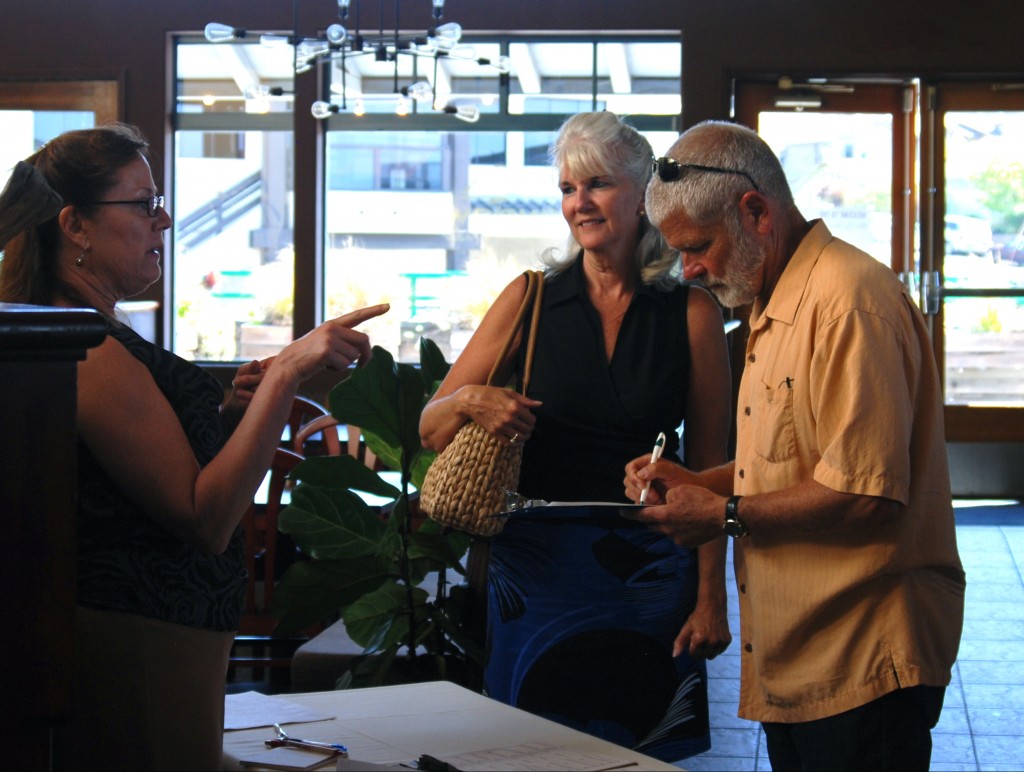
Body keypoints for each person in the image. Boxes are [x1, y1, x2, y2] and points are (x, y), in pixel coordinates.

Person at [0, 124, 389, 770]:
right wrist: (288, 372)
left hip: (163, 641)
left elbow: (149, 474)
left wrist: (236, 412)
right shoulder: (86, 348)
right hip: (138, 647)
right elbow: (203, 516)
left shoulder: (92, 331)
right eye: (144, 204)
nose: (166, 220)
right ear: (75, 225)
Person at [626, 120, 966, 770]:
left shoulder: (847, 302)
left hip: (864, 658)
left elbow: (866, 495)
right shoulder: (773, 301)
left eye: (698, 246)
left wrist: (720, 516)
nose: (689, 270)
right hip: (806, 659)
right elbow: (790, 464)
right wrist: (699, 482)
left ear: (755, 212)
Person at [420, 111, 733, 761]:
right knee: (528, 752)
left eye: (597, 184)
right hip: (534, 574)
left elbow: (712, 465)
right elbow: (430, 427)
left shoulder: (692, 311)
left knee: (639, 747)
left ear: (643, 190)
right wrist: (473, 399)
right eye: (567, 188)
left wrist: (711, 598)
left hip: (650, 566)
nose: (579, 202)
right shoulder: (530, 297)